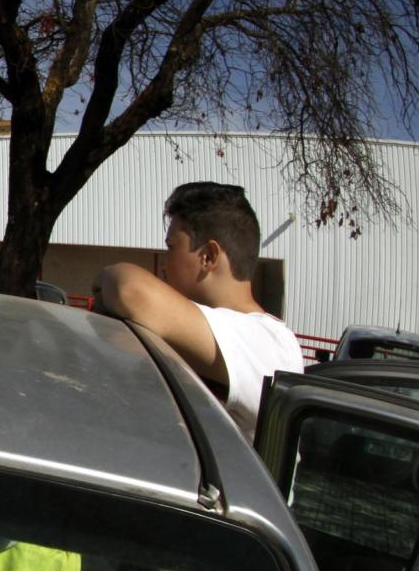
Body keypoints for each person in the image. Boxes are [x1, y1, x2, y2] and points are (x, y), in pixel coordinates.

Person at [94, 182, 303, 440]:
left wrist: (103, 278)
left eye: (171, 247)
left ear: (208, 256)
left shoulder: (267, 340)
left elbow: (130, 291)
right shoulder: (225, 333)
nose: (164, 265)